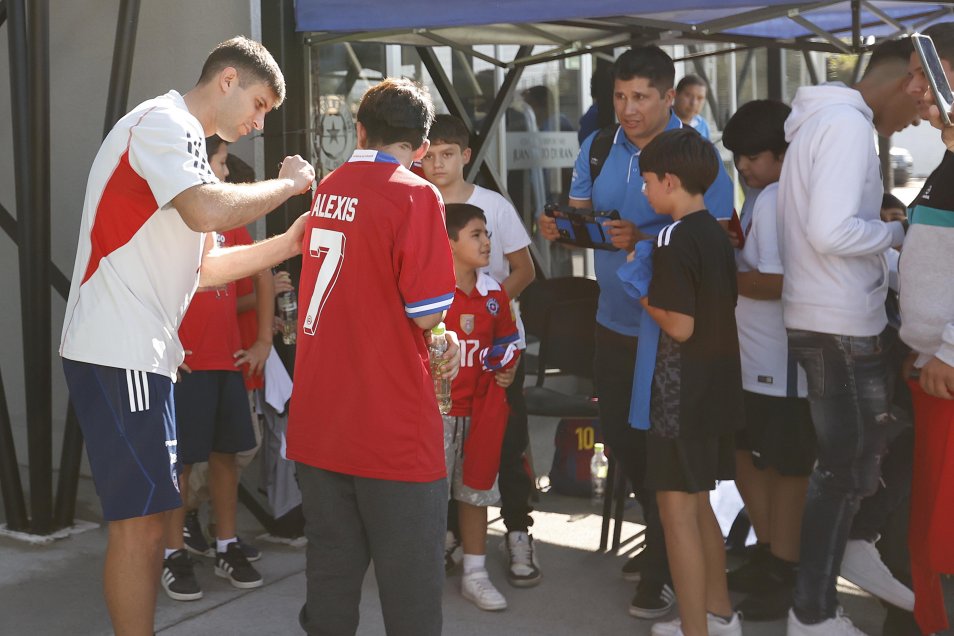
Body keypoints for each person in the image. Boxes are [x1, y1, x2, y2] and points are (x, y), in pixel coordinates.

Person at [59, 36, 316, 635]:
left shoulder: (187, 147)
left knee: (152, 519)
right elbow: (205, 211)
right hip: (118, 349)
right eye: (257, 106)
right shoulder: (163, 123)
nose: (256, 124)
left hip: (141, 354)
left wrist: (292, 239)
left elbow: (205, 269)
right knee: (141, 524)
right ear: (226, 80)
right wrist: (287, 187)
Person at [538, 45, 734, 619]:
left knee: (668, 467)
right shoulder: (599, 145)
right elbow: (585, 224)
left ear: (669, 97)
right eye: (619, 97)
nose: (628, 108)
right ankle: (668, 551)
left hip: (671, 339)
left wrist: (640, 242)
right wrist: (563, 228)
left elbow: (712, 243)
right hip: (613, 322)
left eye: (641, 97)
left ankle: (665, 571)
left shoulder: (698, 157)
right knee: (625, 442)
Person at [286, 78, 460, 636]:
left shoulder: (329, 186)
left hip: (319, 421)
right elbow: (428, 311)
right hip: (390, 428)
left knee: (331, 589)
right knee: (410, 601)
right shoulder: (415, 193)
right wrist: (444, 334)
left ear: (359, 130)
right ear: (423, 147)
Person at [775, 37, 917, 636]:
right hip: (838, 324)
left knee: (860, 460)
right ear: (911, 76)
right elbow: (832, 231)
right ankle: (812, 611)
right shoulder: (848, 126)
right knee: (841, 471)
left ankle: (852, 550)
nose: (920, 116)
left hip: (825, 317)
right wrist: (897, 234)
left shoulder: (824, 121)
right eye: (923, 101)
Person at [625, 128, 743, 636]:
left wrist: (639, 288)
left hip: (678, 393)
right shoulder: (716, 233)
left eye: (648, 181)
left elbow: (679, 324)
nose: (645, 192)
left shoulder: (672, 237)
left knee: (677, 518)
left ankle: (696, 628)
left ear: (669, 181)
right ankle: (719, 616)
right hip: (715, 389)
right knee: (700, 507)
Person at [420, 114, 541, 588]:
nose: (436, 164)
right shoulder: (416, 201)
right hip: (438, 355)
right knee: (441, 451)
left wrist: (485, 313)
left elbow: (524, 269)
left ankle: (517, 532)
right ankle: (453, 538)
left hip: (496, 354)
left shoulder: (492, 206)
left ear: (466, 155)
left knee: (505, 448)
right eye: (427, 155)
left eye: (446, 154)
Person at [160, 136, 271, 601]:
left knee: (227, 457)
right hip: (185, 368)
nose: (226, 174)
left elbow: (262, 271)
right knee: (179, 465)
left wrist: (263, 339)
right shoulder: (167, 221)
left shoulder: (231, 223)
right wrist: (166, 345)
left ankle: (226, 543)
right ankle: (173, 553)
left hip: (227, 361)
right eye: (222, 164)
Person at [719, 99, 816, 622]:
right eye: (737, 159)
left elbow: (779, 281)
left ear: (783, 153)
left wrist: (718, 275)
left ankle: (787, 566)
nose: (744, 168)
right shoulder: (762, 193)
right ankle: (773, 554)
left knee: (785, 467)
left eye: (752, 157)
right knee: (748, 456)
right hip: (755, 357)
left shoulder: (781, 196)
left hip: (780, 364)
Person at [440, 202, 521, 610]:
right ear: (449, 242)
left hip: (480, 413)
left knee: (476, 494)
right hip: (435, 414)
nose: (488, 241)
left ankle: (475, 572)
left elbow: (508, 343)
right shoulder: (430, 292)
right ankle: (418, 566)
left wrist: (507, 368)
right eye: (476, 234)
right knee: (425, 496)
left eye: (487, 233)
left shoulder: (495, 294)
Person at [901, 22, 954, 635]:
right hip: (933, 375)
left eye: (924, 71)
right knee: (933, 544)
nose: (913, 86)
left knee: (945, 546)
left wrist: (947, 348)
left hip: (948, 376)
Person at [673, 75, 711, 140]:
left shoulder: (703, 125)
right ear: (675, 94)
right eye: (688, 95)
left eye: (700, 98)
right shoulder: (661, 122)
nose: (693, 103)